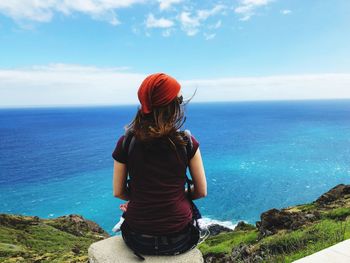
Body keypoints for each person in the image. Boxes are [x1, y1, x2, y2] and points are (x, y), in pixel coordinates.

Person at [112, 73, 207, 260]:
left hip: (137, 238)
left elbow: (118, 192)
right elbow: (201, 191)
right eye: (178, 100)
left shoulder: (126, 142)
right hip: (180, 238)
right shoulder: (187, 142)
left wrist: (144, 197)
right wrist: (176, 195)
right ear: (172, 106)